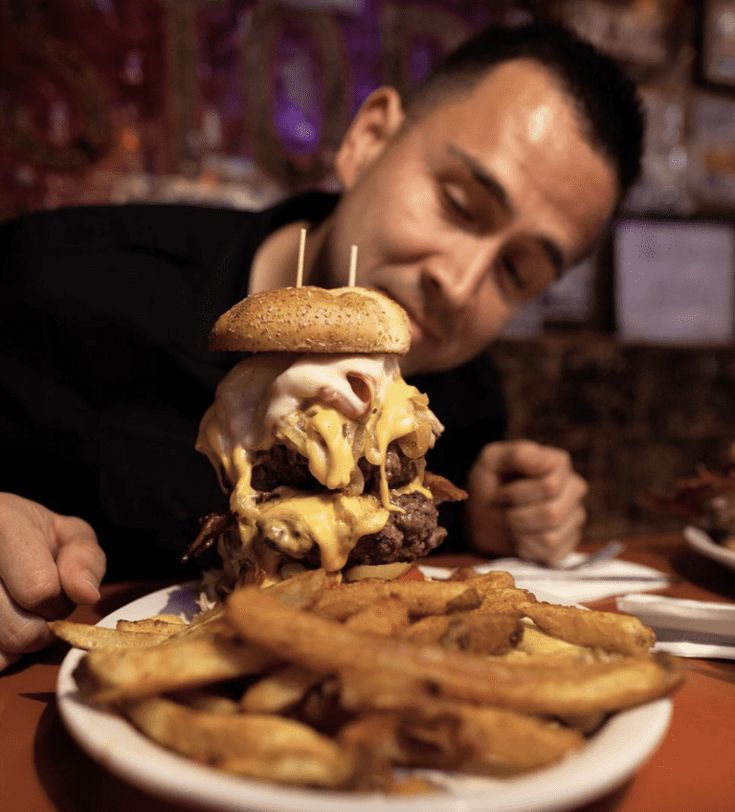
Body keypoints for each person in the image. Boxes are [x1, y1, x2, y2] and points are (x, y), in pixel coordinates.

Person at [0, 22, 644, 670]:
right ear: (368, 141)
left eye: (517, 273)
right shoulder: (53, 281)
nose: (458, 282)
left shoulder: (464, 390)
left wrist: (492, 520)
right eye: (458, 204)